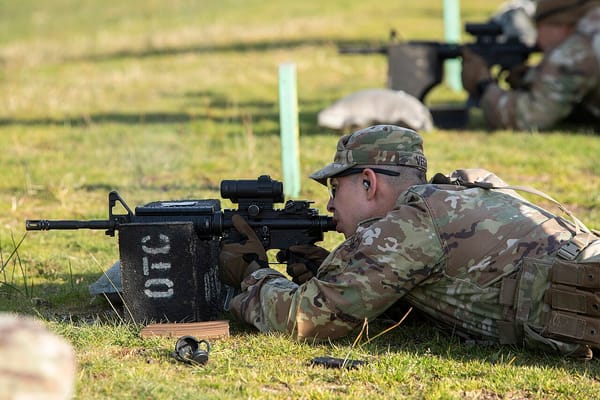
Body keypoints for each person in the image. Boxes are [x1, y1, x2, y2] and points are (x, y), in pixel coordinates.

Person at [219, 124, 600, 359]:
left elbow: (307, 319)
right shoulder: (452, 197)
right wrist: (329, 273)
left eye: (336, 188)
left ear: (369, 182)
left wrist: (254, 274)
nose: (331, 204)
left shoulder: (410, 224)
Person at [461, 0, 600, 131]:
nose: (537, 39)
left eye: (539, 27)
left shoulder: (578, 47)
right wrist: (531, 78)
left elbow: (530, 117)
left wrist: (483, 84)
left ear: (564, 25)